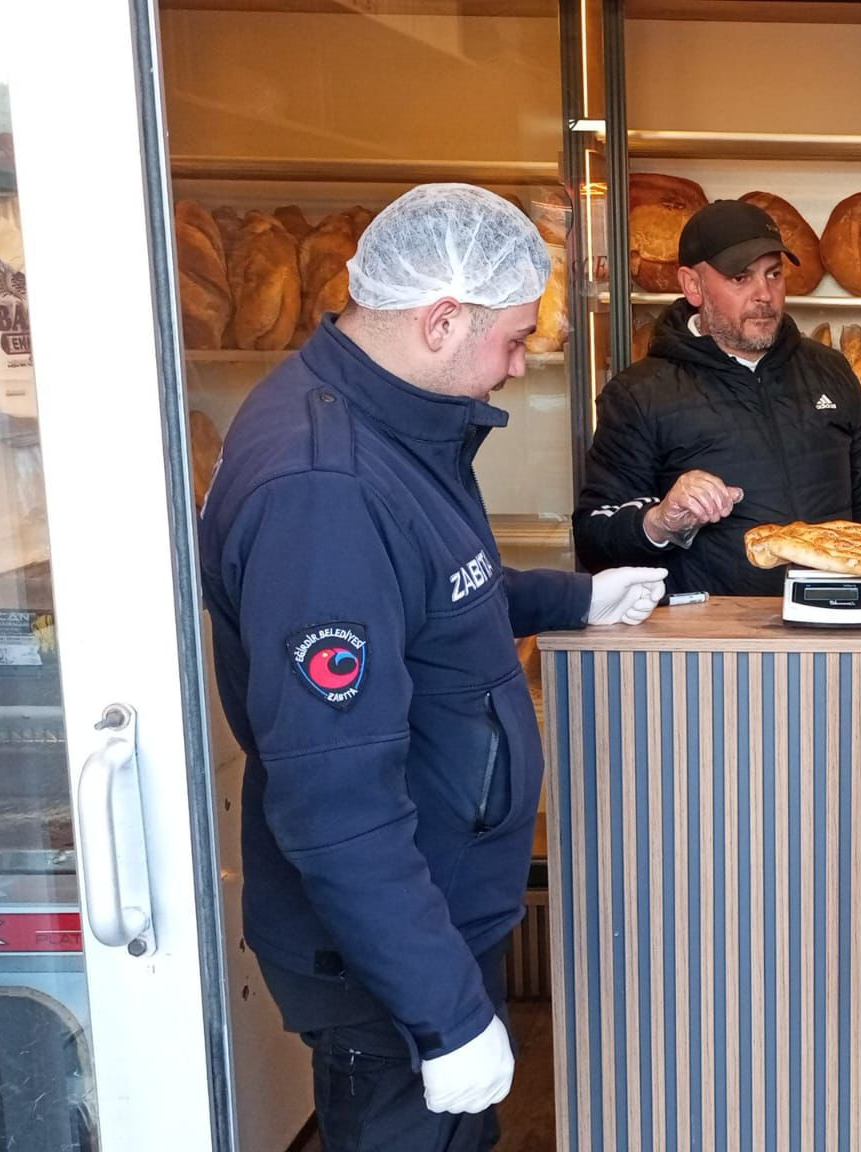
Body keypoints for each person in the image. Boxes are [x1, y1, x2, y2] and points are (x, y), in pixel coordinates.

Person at [198, 184, 668, 1151]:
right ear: (442, 319)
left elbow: (439, 594)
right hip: (386, 957)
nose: (522, 361)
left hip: (433, 919)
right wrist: (445, 1014)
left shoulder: (394, 430)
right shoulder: (323, 488)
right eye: (515, 338)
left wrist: (575, 598)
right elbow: (336, 802)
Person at [575, 199, 861, 595]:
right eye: (741, 278)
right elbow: (592, 538)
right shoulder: (639, 394)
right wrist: (659, 521)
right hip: (713, 629)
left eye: (774, 274)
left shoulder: (831, 371)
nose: (765, 294)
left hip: (831, 618)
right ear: (693, 285)